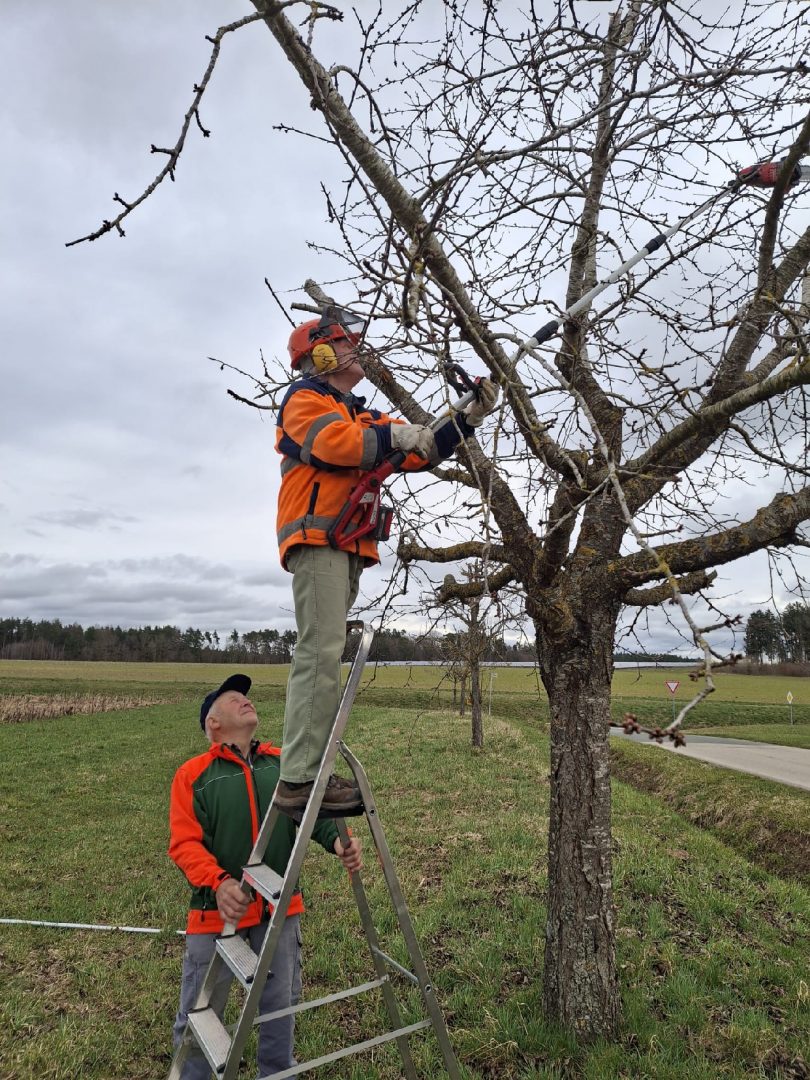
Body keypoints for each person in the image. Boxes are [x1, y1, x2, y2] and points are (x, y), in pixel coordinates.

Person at [273, 307, 499, 815]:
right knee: (319, 651)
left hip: (345, 542)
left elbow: (420, 448)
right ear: (323, 353)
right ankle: (301, 780)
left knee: (326, 650)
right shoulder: (306, 401)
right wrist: (398, 436)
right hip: (319, 539)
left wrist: (467, 418)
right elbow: (337, 445)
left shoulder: (358, 411)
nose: (361, 351)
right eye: (349, 343)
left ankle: (307, 772)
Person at [168, 673, 362, 1079]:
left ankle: (277, 1072)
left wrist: (337, 842)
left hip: (279, 907)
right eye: (234, 698)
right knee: (201, 1010)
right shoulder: (194, 775)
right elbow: (184, 845)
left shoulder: (281, 762)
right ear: (213, 724)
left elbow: (308, 814)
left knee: (281, 1005)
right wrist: (219, 884)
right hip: (214, 913)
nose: (245, 701)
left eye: (246, 697)